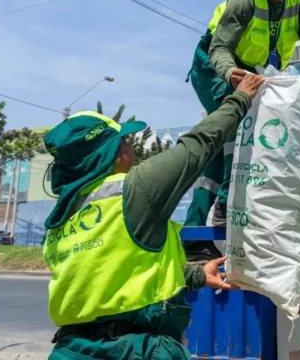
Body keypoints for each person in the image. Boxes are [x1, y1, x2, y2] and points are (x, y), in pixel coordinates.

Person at [42, 74, 264, 360]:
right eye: (125, 141)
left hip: (72, 350)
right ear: (112, 154)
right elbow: (197, 146)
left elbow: (116, 277)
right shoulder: (133, 190)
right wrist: (240, 99)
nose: (131, 147)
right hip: (134, 350)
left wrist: (196, 275)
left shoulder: (62, 217)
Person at [183, 0, 300, 261]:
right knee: (238, 122)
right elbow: (219, 47)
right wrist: (230, 72)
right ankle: (224, 206)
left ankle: (194, 234)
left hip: (251, 68)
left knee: (220, 143)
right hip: (214, 65)